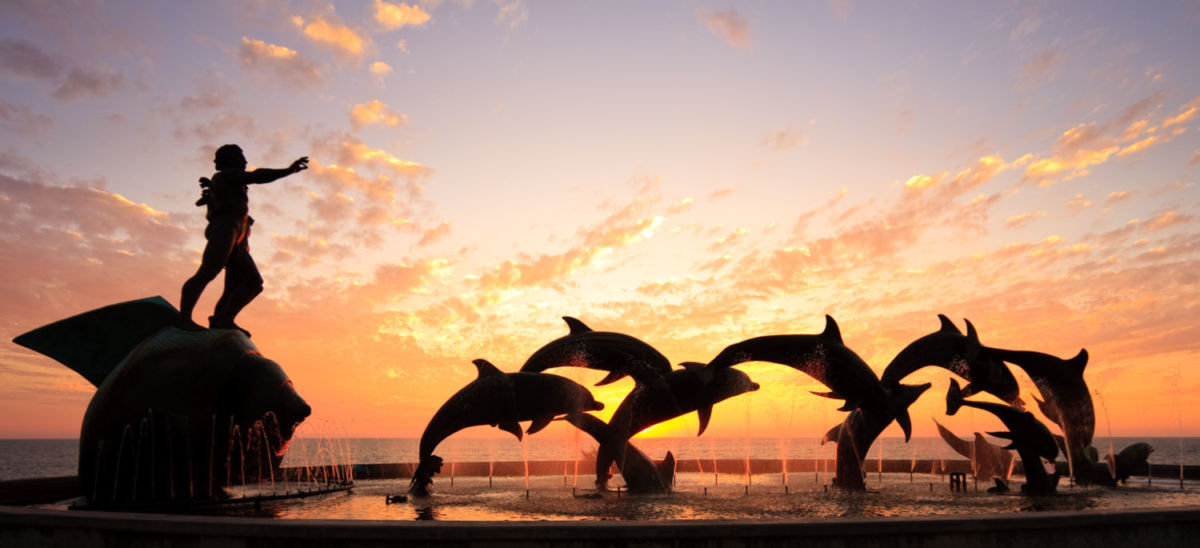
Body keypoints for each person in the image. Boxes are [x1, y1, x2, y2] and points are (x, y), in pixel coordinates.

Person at [177, 144, 308, 336]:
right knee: (208, 271)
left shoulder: (229, 183)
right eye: (241, 157)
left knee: (253, 282)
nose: (245, 162)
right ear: (230, 160)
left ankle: (223, 319)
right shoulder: (224, 176)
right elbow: (257, 176)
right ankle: (183, 319)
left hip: (237, 231)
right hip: (224, 228)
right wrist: (289, 170)